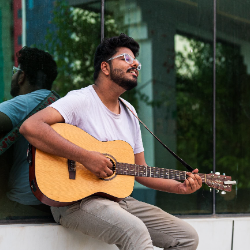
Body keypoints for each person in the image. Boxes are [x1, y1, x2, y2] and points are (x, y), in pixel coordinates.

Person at [20, 34, 202, 250]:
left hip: (118, 200)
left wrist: (179, 188)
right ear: (105, 68)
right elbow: (30, 127)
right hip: (74, 202)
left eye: (137, 61)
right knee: (135, 231)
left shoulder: (130, 112)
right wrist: (85, 157)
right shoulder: (81, 100)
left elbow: (140, 171)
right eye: (126, 58)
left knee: (187, 237)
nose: (134, 63)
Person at [0, 47, 58, 211]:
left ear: (22, 76)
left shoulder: (23, 103)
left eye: (14, 71)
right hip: (54, 206)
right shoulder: (60, 105)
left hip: (21, 205)